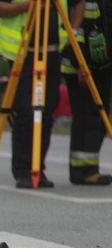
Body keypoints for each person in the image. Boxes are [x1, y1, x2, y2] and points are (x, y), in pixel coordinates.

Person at [0, 0, 73, 188]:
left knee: (47, 113)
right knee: (27, 112)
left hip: (53, 53)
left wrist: (72, 32)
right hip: (23, 54)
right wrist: (27, 6)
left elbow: (78, 5)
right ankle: (24, 170)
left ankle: (38, 168)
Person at [61, 0, 112, 185]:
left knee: (99, 117)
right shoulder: (82, 4)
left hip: (100, 67)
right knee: (88, 118)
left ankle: (88, 168)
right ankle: (84, 171)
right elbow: (77, 29)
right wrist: (79, 64)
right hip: (82, 66)